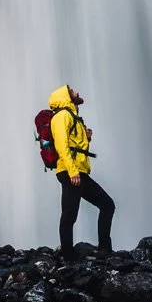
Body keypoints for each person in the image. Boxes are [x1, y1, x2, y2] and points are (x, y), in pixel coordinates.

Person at [48, 84, 115, 261]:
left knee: (107, 204)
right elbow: (61, 146)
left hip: (78, 172)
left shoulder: (73, 116)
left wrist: (87, 138)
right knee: (69, 215)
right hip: (71, 172)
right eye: (72, 91)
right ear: (66, 97)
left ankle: (104, 249)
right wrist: (72, 171)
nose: (77, 92)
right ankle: (69, 257)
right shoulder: (62, 116)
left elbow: (75, 146)